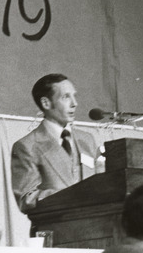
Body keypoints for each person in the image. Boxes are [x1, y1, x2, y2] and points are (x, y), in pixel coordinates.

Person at [11, 73, 99, 217]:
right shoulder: (27, 146)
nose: (74, 103)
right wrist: (72, 196)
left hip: (95, 226)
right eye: (66, 97)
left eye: (74, 96)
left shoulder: (87, 139)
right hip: (55, 230)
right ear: (46, 103)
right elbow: (26, 199)